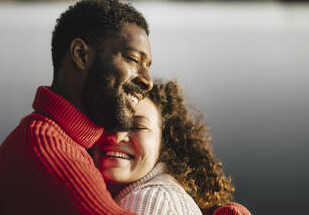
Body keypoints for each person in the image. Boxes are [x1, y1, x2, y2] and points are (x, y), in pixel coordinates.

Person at [0, 0, 153, 215]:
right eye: (132, 59)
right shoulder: (48, 149)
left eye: (147, 66)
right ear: (82, 55)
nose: (148, 81)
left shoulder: (62, 139)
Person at [91, 80, 237, 215]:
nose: (117, 136)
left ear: (164, 142)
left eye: (137, 127)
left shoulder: (152, 200)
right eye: (109, 122)